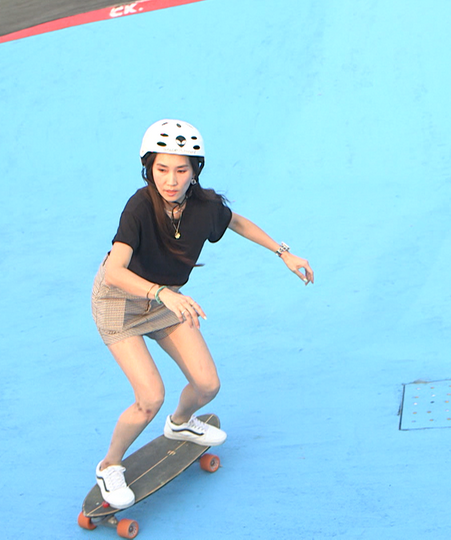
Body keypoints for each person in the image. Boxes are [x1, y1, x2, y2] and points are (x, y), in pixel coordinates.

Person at [90, 119, 314, 508]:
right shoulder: (139, 207)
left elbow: (236, 221)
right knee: (150, 397)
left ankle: (179, 424)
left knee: (208, 386)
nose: (170, 180)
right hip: (120, 304)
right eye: (161, 169)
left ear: (195, 171)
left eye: (181, 170)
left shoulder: (204, 207)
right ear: (148, 168)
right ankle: (109, 466)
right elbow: (114, 271)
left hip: (165, 300)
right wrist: (161, 293)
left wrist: (284, 253)